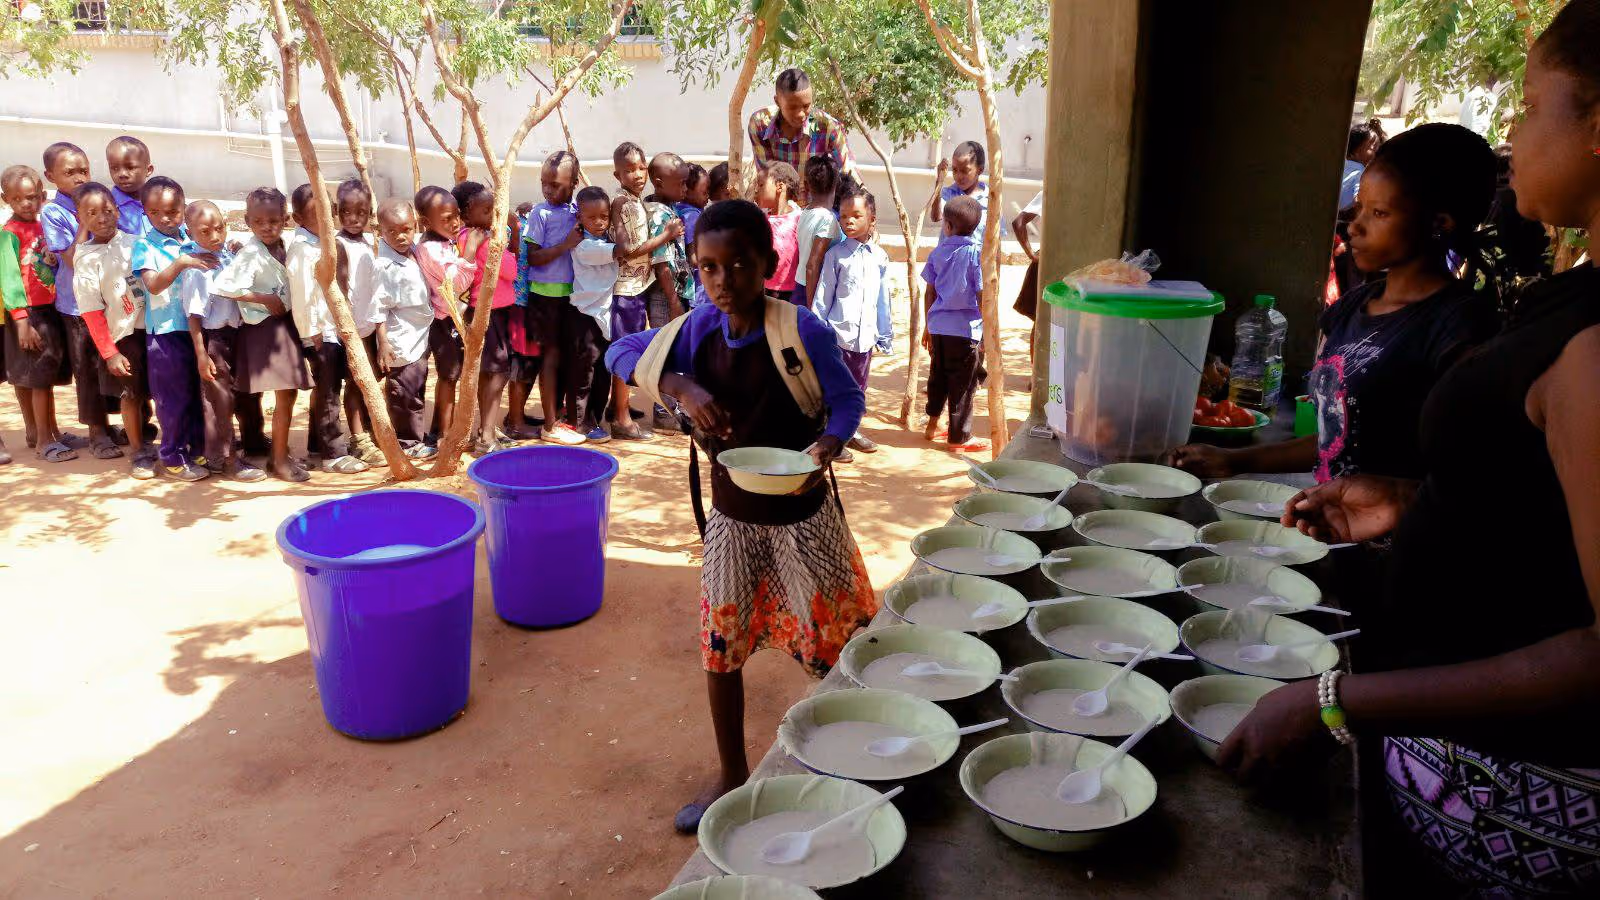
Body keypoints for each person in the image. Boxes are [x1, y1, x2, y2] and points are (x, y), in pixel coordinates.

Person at [1223, 5, 1600, 893]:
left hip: (1513, 793)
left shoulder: (1591, 345)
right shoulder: (1570, 304)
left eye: (1529, 105)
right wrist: (1411, 500)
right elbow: (1540, 513)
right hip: (1437, 727)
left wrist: (1334, 700)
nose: (1512, 134)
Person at [604, 199, 875, 834]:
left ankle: (849, 762)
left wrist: (828, 444)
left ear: (768, 263)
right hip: (732, 519)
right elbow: (620, 351)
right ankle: (732, 775)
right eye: (709, 267)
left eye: (738, 265)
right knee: (721, 649)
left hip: (805, 518)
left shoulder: (800, 331)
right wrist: (680, 386)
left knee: (837, 648)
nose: (723, 281)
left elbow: (846, 401)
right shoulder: (696, 329)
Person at [1168, 124, 1500, 484]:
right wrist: (1233, 460)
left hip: (1392, 522)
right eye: (1358, 208)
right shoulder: (1353, 307)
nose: (1354, 227)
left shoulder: (1460, 326)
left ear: (1439, 223)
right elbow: (1337, 440)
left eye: (1379, 213)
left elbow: (1463, 466)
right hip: (1329, 513)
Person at [211, 186, 314, 483]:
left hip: (283, 326)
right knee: (285, 392)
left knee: (288, 393)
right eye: (258, 222)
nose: (267, 227)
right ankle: (278, 460)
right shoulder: (251, 252)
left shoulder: (285, 245)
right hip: (264, 330)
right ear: (247, 221)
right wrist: (264, 299)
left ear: (285, 219)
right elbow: (224, 286)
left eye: (274, 221)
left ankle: (279, 454)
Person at [133, 176, 216, 482]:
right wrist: (181, 263)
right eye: (155, 212)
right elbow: (153, 285)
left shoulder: (190, 237)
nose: (165, 218)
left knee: (195, 395)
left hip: (196, 329)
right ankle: (171, 457)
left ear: (183, 207)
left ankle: (196, 449)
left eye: (172, 211)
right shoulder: (144, 245)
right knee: (172, 399)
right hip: (165, 335)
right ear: (145, 212)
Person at [41, 141, 120, 461]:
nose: (79, 177)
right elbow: (72, 258)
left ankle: (113, 425)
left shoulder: (99, 200)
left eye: (84, 170)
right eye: (69, 172)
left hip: (110, 302)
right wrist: (85, 224)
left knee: (110, 364)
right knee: (86, 369)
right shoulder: (54, 212)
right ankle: (97, 432)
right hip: (77, 306)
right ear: (51, 176)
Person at [71, 182, 154, 479]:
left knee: (159, 389)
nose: (102, 218)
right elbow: (91, 311)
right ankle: (138, 451)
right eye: (91, 213)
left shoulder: (137, 243)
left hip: (155, 329)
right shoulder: (85, 258)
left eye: (107, 210)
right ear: (80, 218)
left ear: (117, 211)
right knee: (131, 393)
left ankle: (171, 443)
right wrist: (109, 353)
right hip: (123, 335)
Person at [287, 183, 369, 475]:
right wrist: (312, 332)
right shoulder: (302, 249)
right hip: (320, 333)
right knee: (329, 392)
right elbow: (301, 292)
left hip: (333, 329)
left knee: (328, 389)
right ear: (298, 219)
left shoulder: (323, 241)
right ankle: (333, 454)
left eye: (328, 212)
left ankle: (315, 444)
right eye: (315, 215)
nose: (325, 220)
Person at [183, 200, 263, 482]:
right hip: (213, 341)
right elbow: (193, 317)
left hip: (235, 336)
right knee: (219, 401)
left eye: (219, 228)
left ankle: (238, 448)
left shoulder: (225, 256)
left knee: (236, 396)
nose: (215, 236)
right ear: (190, 232)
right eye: (205, 232)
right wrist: (201, 354)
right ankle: (226, 460)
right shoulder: (196, 269)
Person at [608, 141, 683, 441]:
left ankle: (619, 408)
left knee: (630, 350)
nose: (638, 174)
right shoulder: (622, 203)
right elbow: (627, 250)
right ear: (617, 175)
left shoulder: (635, 201)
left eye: (641, 168)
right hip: (626, 291)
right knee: (625, 353)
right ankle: (621, 420)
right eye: (629, 170)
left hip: (637, 289)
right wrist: (666, 235)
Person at [812, 189, 892, 458]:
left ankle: (850, 432)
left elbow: (883, 300)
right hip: (839, 336)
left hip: (865, 339)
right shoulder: (836, 256)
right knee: (834, 388)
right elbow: (824, 295)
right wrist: (816, 330)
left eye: (856, 215)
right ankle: (831, 438)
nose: (849, 221)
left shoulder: (879, 257)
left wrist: (884, 333)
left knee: (858, 389)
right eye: (844, 216)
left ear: (872, 219)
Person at [2, 164, 72, 462]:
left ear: (43, 196)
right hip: (28, 313)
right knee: (37, 377)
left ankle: (50, 432)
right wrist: (21, 321)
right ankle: (43, 441)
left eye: (32, 197)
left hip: (49, 308)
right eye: (18, 199)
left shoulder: (44, 227)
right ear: (6, 200)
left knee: (44, 374)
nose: (26, 204)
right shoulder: (9, 234)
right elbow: (9, 278)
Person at [453, 179, 520, 456]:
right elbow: (511, 271)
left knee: (487, 372)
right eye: (486, 211)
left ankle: (484, 429)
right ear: (466, 215)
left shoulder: (467, 236)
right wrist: (505, 243)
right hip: (490, 314)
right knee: (498, 372)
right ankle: (487, 435)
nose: (493, 215)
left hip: (487, 312)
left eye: (493, 209)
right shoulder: (485, 241)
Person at [412, 184, 482, 449]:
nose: (455, 223)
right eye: (446, 219)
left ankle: (441, 431)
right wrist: (471, 250)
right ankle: (445, 435)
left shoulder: (443, 242)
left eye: (457, 216)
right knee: (449, 377)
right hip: (443, 321)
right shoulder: (430, 249)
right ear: (426, 222)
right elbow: (457, 282)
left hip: (452, 318)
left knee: (451, 375)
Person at [520, 151, 582, 444]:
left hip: (572, 296)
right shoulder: (539, 214)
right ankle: (549, 424)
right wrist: (565, 244)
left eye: (555, 184)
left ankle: (561, 416)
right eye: (544, 183)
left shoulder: (577, 212)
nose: (548, 189)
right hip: (545, 297)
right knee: (550, 357)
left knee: (568, 356)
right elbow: (533, 257)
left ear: (573, 183)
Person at [369, 198, 437, 460]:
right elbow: (379, 308)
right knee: (404, 393)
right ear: (381, 231)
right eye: (392, 231)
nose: (400, 236)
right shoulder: (384, 266)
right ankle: (408, 443)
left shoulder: (416, 251)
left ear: (415, 226)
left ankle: (416, 436)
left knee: (416, 387)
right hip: (400, 340)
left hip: (419, 336)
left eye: (406, 229)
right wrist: (384, 343)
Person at [921, 195, 988, 453]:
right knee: (963, 385)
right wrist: (986, 331)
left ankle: (932, 425)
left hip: (939, 328)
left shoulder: (937, 253)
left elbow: (929, 292)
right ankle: (958, 438)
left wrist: (928, 325)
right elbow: (981, 294)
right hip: (965, 331)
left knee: (937, 376)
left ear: (947, 226)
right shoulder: (975, 255)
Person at [333, 178, 384, 466]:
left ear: (369, 214)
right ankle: (358, 439)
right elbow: (340, 290)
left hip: (367, 326)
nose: (354, 219)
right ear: (337, 212)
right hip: (351, 328)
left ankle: (368, 430)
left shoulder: (366, 243)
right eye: (347, 212)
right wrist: (348, 329)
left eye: (361, 213)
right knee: (355, 382)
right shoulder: (339, 244)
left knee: (369, 380)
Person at [566, 186, 620, 444]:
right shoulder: (584, 246)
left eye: (605, 216)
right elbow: (623, 250)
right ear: (580, 217)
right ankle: (580, 422)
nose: (599, 222)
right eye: (592, 217)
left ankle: (595, 417)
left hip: (603, 316)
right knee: (584, 372)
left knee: (602, 370)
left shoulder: (603, 240)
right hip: (585, 315)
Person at [746, 67, 857, 179]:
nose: (800, 114)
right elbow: (767, 178)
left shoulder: (828, 127)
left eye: (806, 106)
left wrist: (859, 190)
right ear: (777, 101)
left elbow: (849, 173)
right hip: (777, 189)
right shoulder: (760, 125)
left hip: (815, 191)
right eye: (792, 107)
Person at [751, 160, 801, 303]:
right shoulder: (760, 220)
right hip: (762, 289)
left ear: (779, 187)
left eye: (761, 185)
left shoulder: (799, 219)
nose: (757, 190)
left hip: (790, 292)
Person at [797, 155, 843, 307]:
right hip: (813, 289)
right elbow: (812, 265)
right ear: (836, 184)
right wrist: (812, 307)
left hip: (800, 285)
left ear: (806, 185)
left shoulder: (806, 212)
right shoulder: (827, 219)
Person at [932, 141, 989, 241]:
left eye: (964, 171)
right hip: (948, 252)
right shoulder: (949, 193)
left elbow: (996, 236)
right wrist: (939, 182)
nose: (959, 176)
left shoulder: (990, 199)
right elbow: (936, 217)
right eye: (954, 170)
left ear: (980, 170)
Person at [1011, 190, 1044, 359]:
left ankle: (1035, 369)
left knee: (1040, 320)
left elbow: (1018, 222)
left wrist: (1032, 255)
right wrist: (1032, 255)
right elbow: (1018, 223)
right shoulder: (1048, 193)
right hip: (1048, 265)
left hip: (1044, 263)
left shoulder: (1048, 191)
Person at [105, 135, 153, 236]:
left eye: (130, 167)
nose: (122, 174)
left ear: (148, 170)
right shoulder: (108, 206)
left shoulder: (159, 199)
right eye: (115, 168)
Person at [1339, 118, 1386, 211]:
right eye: (1373, 147)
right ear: (1355, 150)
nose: (1377, 153)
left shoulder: (1340, 167)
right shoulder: (1361, 173)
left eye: (1378, 149)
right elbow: (1359, 199)